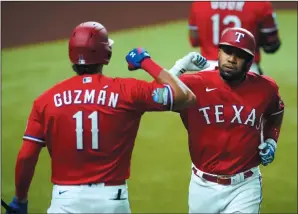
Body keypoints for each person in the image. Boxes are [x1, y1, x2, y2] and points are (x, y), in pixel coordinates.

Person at [6, 21, 209, 214]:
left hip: (65, 201)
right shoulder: (127, 91)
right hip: (112, 201)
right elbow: (184, 96)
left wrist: (20, 199)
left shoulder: (46, 101)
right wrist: (147, 62)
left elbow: (26, 157)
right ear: (107, 54)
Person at [169, 27, 285, 213]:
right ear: (219, 52)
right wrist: (179, 67)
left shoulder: (265, 88)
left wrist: (272, 140)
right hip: (202, 187)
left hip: (245, 186)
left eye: (239, 55)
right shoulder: (195, 84)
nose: (231, 59)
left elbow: (276, 112)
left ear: (249, 61)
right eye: (227, 52)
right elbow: (154, 95)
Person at [188, 1, 281, 74]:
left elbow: (194, 40)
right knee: (269, 94)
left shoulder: (199, 3)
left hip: (207, 70)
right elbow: (271, 45)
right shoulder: (260, 3)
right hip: (246, 70)